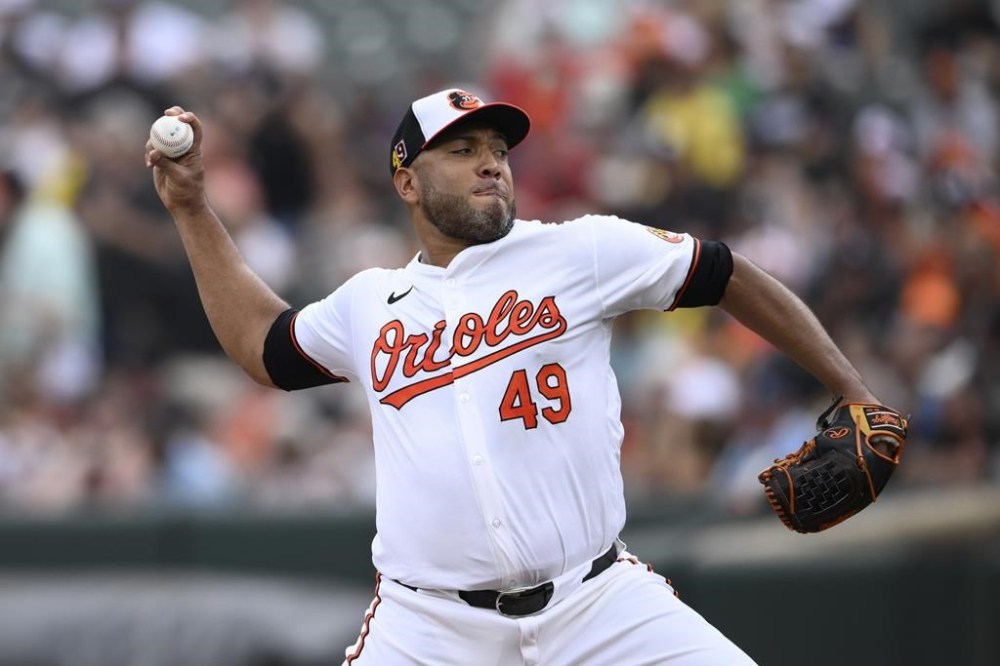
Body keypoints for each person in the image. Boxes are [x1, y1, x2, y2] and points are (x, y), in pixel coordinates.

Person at [147, 88, 884, 665]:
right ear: (406, 182)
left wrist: (854, 392)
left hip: (597, 604)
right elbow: (264, 346)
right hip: (428, 629)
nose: (490, 161)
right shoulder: (371, 304)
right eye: (462, 149)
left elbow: (722, 271)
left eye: (497, 148)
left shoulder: (580, 251)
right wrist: (191, 208)